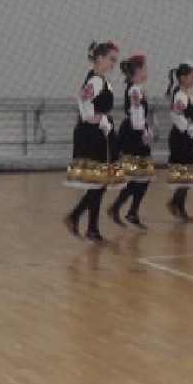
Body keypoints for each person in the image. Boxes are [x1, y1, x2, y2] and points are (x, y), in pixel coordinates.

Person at [64, 41, 126, 242]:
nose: (113, 63)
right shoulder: (95, 81)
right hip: (93, 134)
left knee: (100, 183)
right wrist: (98, 119)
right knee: (99, 183)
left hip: (100, 132)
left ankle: (89, 226)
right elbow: (84, 104)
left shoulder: (102, 80)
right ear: (99, 58)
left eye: (115, 60)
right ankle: (79, 219)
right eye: (111, 59)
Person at [107, 53, 155, 229]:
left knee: (142, 177)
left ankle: (129, 210)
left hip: (136, 133)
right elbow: (136, 120)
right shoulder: (134, 90)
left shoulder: (138, 88)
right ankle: (120, 208)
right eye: (145, 67)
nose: (147, 70)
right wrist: (145, 131)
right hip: (133, 136)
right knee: (138, 176)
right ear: (138, 70)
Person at [166, 63, 193, 222]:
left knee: (188, 173)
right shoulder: (180, 95)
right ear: (183, 78)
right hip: (181, 137)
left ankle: (177, 204)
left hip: (186, 135)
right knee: (185, 173)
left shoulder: (186, 94)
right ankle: (177, 204)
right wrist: (188, 128)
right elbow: (176, 115)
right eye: (191, 76)